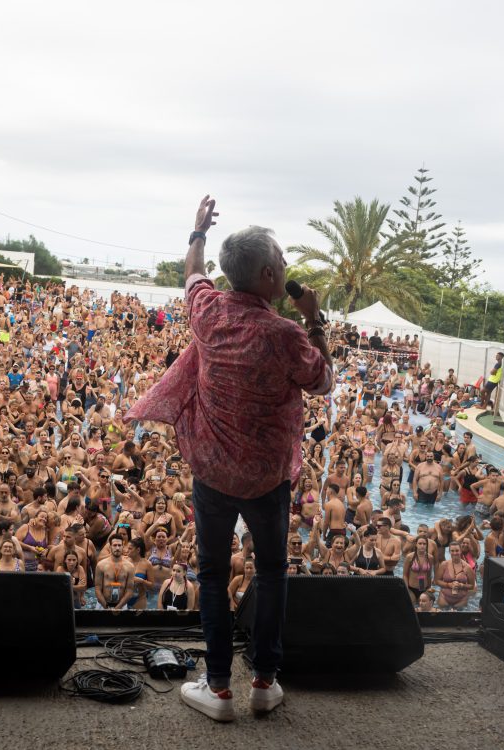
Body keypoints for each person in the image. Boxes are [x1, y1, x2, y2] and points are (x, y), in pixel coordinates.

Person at [125, 196, 333, 721]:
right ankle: (264, 681)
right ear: (268, 275)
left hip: (213, 472)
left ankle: (218, 689)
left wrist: (197, 231)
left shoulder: (208, 312)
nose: (286, 266)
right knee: (273, 572)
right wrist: (315, 321)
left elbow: (192, 273)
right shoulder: (286, 334)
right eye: (281, 260)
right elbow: (323, 383)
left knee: (213, 576)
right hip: (266, 479)